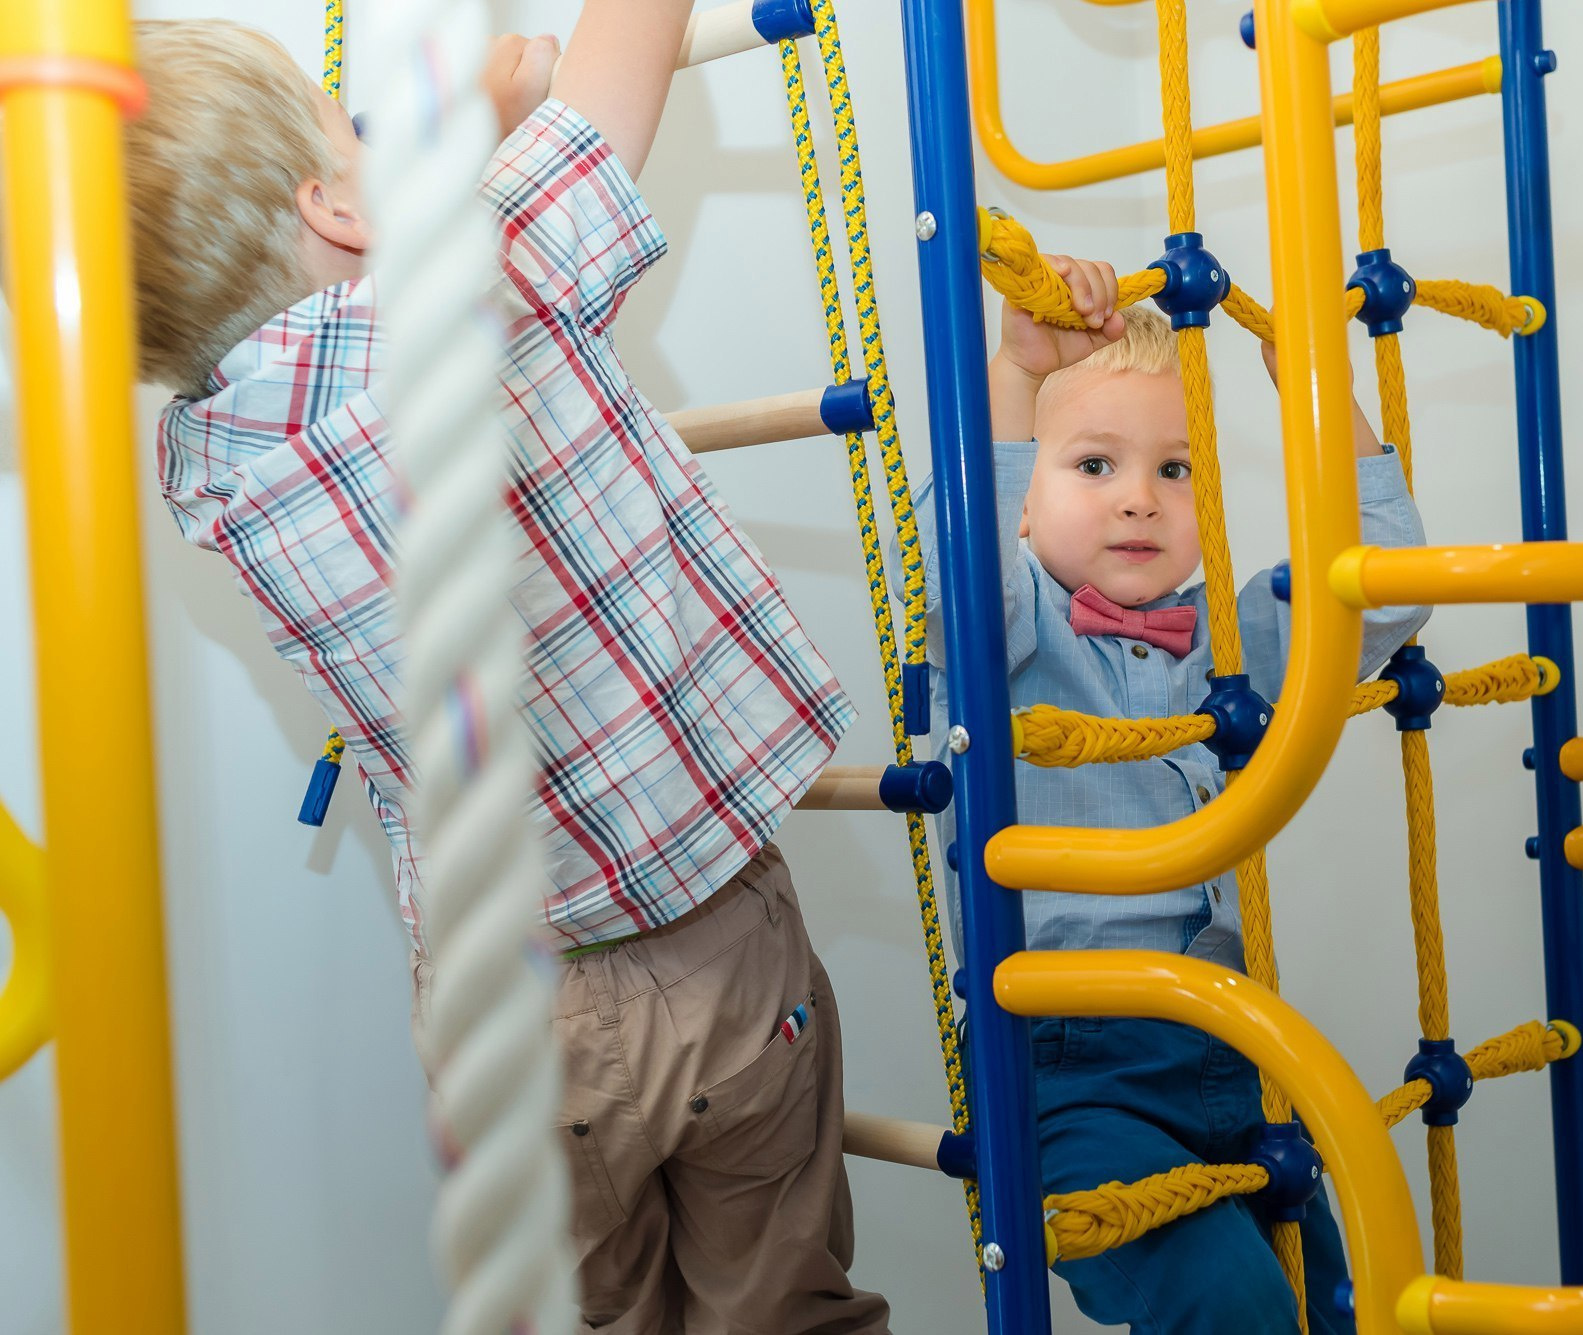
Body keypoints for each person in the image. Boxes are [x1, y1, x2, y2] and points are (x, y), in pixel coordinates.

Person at [128, 12, 889, 1331]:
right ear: (343, 207)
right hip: (710, 947)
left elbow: (333, 310)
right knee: (781, 1299)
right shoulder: (487, 285)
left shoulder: (210, 470)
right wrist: (496, 107)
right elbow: (620, 71)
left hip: (501, 1018)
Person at [913, 260, 1430, 1333]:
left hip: (1236, 1053)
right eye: (1093, 463)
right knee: (1224, 1303)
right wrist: (1015, 374)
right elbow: (954, 567)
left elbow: (1391, 589)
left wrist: (1318, 387)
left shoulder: (1231, 649)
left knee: (1339, 1301)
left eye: (1176, 468)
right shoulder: (1004, 635)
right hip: (1071, 1067)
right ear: (1022, 494)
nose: (1139, 496)